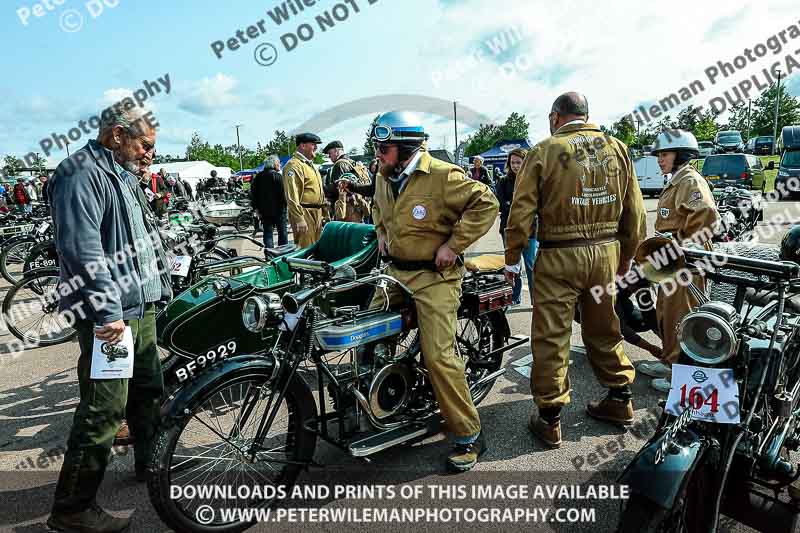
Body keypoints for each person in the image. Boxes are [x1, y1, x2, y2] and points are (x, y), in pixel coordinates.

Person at [47, 106, 172, 532]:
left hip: (139, 309)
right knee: (104, 408)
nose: (150, 154)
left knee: (148, 390)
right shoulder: (79, 173)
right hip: (112, 316)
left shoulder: (121, 173)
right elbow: (83, 251)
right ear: (117, 135)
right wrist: (108, 313)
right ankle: (72, 509)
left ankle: (154, 466)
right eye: (145, 145)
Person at [504, 92, 647, 448]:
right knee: (605, 326)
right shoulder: (617, 148)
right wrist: (627, 258)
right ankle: (620, 399)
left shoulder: (544, 151)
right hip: (605, 255)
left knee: (552, 336)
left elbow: (520, 214)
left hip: (558, 256)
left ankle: (550, 419)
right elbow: (636, 215)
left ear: (555, 117)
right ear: (587, 114)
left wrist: (511, 258)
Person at [370, 111, 499, 472]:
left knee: (438, 355)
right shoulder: (384, 174)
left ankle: (469, 435)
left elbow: (487, 203)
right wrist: (381, 232)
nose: (378, 153)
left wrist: (454, 246)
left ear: (406, 146)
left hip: (435, 277)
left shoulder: (443, 175)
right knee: (360, 330)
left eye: (384, 147)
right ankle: (381, 401)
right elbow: (378, 209)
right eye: (378, 147)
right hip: (395, 273)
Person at [642, 130, 719, 392]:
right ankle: (669, 361)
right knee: (666, 312)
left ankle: (681, 373)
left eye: (664, 154)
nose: (659, 160)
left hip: (686, 261)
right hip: (671, 260)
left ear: (681, 154)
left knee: (682, 316)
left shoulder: (690, 181)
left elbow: (706, 219)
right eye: (659, 155)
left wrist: (681, 248)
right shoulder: (676, 180)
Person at [496, 148, 535, 305]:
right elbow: (501, 204)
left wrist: (514, 205)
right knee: (513, 266)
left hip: (531, 230)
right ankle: (514, 297)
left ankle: (536, 299)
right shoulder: (503, 181)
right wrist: (518, 207)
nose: (515, 165)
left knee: (531, 265)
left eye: (519, 162)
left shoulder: (533, 180)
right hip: (509, 230)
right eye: (512, 162)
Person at [283, 133, 325, 248]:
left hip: (316, 213)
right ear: (302, 146)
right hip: (305, 213)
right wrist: (299, 218)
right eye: (313, 144)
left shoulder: (310, 165)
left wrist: (324, 213)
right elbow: (292, 195)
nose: (316, 147)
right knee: (306, 250)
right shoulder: (294, 165)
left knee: (317, 249)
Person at [251, 155, 288, 250]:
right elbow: (283, 194)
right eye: (279, 163)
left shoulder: (258, 177)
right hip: (279, 210)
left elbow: (253, 195)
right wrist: (286, 206)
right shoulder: (278, 176)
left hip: (264, 210)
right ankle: (282, 253)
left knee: (267, 233)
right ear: (275, 164)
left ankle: (269, 253)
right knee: (282, 233)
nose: (280, 165)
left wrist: (256, 208)